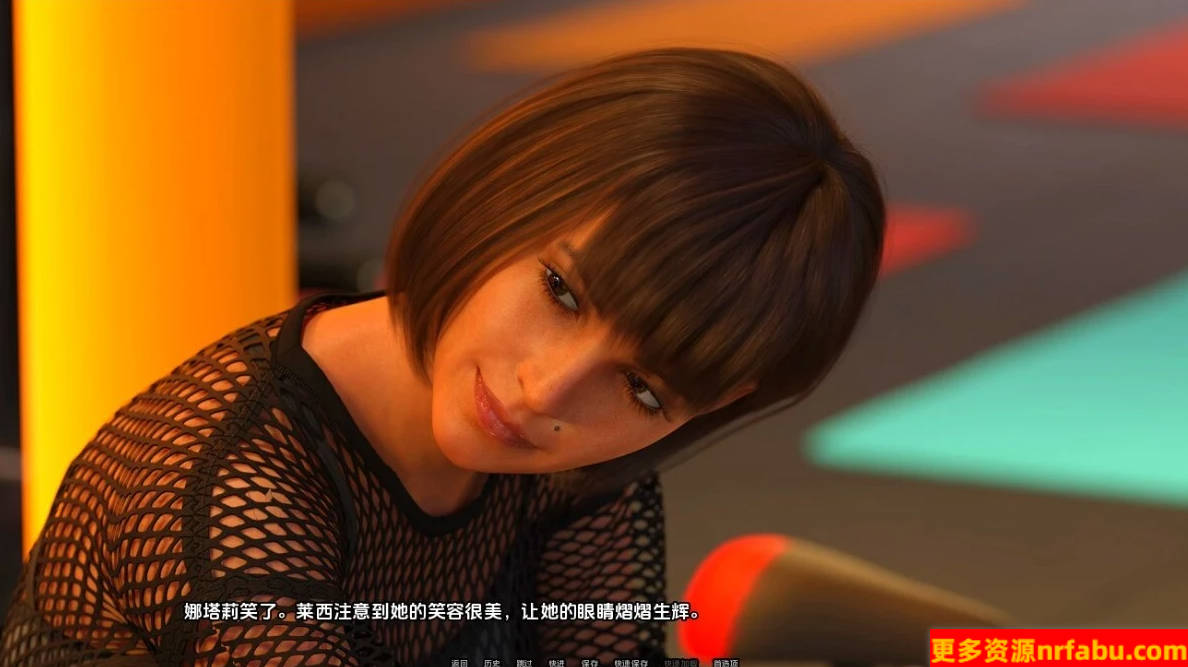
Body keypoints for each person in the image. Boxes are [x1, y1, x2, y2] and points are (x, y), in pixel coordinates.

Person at [0, 46, 885, 666]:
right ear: (510, 190)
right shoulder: (225, 490)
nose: (547, 391)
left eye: (643, 388)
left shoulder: (577, 468)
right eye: (562, 291)